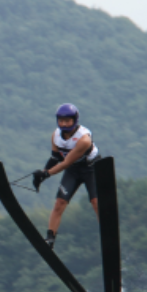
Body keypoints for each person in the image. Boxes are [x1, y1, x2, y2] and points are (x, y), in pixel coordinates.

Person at [32, 103, 99, 249]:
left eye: (67, 120)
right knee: (60, 203)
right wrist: (42, 175)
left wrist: (46, 174)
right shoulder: (55, 135)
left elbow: (65, 163)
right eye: (61, 120)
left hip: (91, 170)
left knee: (96, 202)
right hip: (73, 171)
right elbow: (55, 158)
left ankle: (107, 233)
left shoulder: (84, 139)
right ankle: (50, 238)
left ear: (75, 120)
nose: (63, 124)